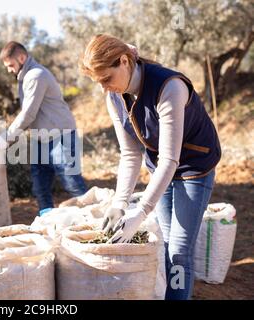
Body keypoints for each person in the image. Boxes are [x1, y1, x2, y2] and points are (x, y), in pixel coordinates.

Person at [80, 34, 221, 300]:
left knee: (179, 250)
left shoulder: (170, 87)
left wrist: (141, 212)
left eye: (106, 79)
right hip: (161, 166)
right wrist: (120, 204)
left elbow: (171, 159)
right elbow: (130, 153)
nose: (103, 88)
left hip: (193, 165)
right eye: (98, 82)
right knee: (168, 242)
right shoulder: (115, 96)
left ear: (124, 61)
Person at [0, 41, 87, 215]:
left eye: (10, 65)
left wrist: (5, 138)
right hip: (41, 138)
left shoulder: (36, 75)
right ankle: (47, 224)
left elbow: (28, 114)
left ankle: (97, 222)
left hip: (60, 136)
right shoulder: (25, 76)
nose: (9, 70)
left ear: (22, 58)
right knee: (40, 189)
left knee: (73, 184)